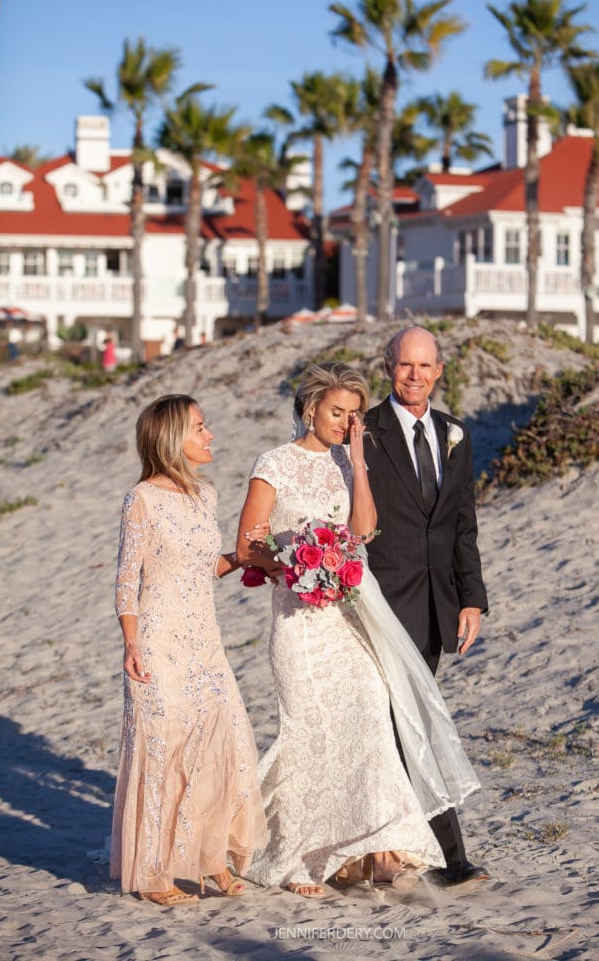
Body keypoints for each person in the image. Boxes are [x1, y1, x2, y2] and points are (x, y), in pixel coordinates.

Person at [235, 363, 480, 898]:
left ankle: (373, 852)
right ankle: (300, 856)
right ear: (310, 408)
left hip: (349, 617)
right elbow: (249, 543)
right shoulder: (273, 463)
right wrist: (295, 561)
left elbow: (364, 530)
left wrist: (361, 462)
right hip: (297, 618)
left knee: (369, 716)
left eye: (352, 414)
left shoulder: (350, 461)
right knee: (308, 729)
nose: (346, 421)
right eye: (336, 412)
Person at [111, 394, 268, 906]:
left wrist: (246, 559)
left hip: (206, 641)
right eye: (200, 428)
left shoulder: (207, 496)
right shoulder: (141, 500)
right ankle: (154, 872)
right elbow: (126, 581)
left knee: (225, 743)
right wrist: (132, 644)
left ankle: (211, 855)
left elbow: (203, 570)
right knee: (163, 753)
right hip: (157, 642)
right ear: (172, 437)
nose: (210, 436)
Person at [363, 325, 489, 888]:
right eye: (403, 365)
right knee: (412, 724)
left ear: (439, 370)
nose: (414, 375)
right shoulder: (363, 431)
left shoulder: (455, 434)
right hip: (379, 603)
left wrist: (471, 599)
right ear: (388, 367)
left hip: (438, 606)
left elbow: (462, 523)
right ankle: (449, 857)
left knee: (406, 725)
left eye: (424, 366)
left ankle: (400, 849)